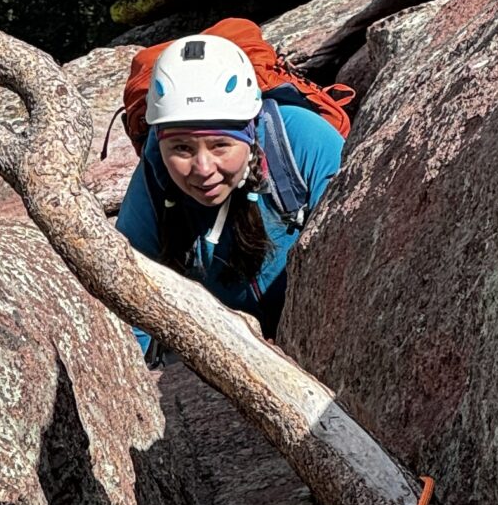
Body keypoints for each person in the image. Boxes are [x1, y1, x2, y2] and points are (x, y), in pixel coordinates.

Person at [114, 32, 345, 353]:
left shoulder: (301, 139)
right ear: (159, 141)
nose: (203, 168)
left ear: (251, 131)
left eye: (220, 145)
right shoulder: (153, 181)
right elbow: (129, 299)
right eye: (181, 148)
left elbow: (353, 249)